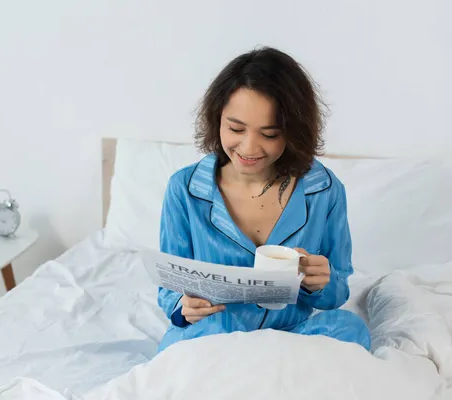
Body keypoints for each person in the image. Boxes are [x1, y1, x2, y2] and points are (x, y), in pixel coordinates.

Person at [156, 46, 371, 353]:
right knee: (181, 347)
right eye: (236, 128)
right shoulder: (185, 189)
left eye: (269, 134)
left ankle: (261, 374)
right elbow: (171, 286)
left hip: (294, 336)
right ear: (217, 119)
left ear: (293, 132)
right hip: (216, 337)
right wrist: (184, 305)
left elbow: (336, 293)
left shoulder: (323, 190)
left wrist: (320, 281)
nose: (249, 147)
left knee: (349, 329)